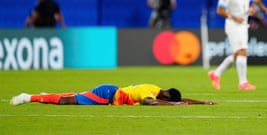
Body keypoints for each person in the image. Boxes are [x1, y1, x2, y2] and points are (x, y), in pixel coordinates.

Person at [208, 0, 256, 91]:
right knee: (243, 51)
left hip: (244, 24)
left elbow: (251, 4)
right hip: (233, 25)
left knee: (236, 54)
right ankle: (243, 83)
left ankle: (216, 74)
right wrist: (234, 17)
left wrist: (251, 9)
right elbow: (220, 10)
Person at [10, 83, 216, 106]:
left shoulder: (158, 90)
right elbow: (148, 103)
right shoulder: (150, 92)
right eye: (168, 101)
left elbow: (180, 99)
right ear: (166, 96)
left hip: (110, 92)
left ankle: (46, 94)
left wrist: (201, 102)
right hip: (107, 95)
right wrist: (174, 106)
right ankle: (28, 97)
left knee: (76, 95)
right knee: (68, 102)